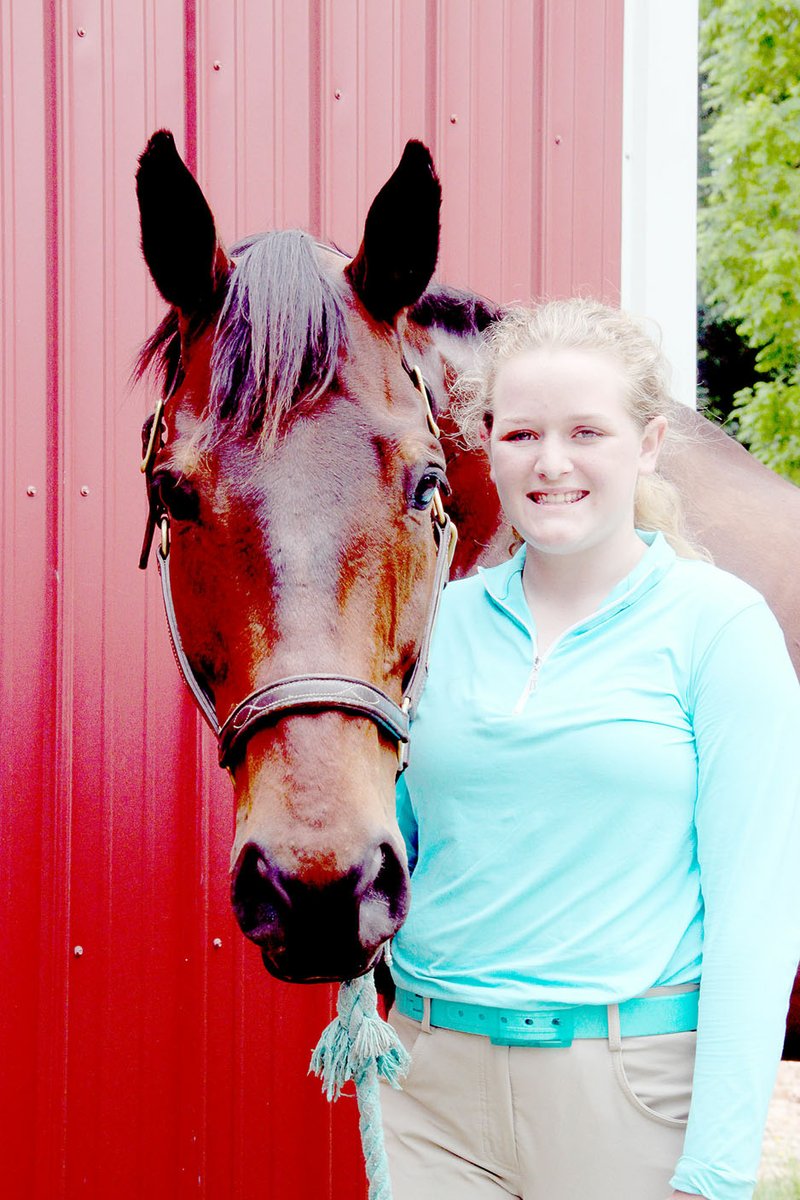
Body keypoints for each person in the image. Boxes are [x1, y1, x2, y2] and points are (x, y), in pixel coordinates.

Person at [379, 299, 800, 1200]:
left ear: (647, 443)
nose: (552, 462)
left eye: (586, 431)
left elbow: (756, 918)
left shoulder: (718, 627)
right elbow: (399, 852)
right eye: (523, 432)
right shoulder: (435, 626)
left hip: (629, 1095)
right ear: (486, 440)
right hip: (431, 1091)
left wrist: (717, 1170)